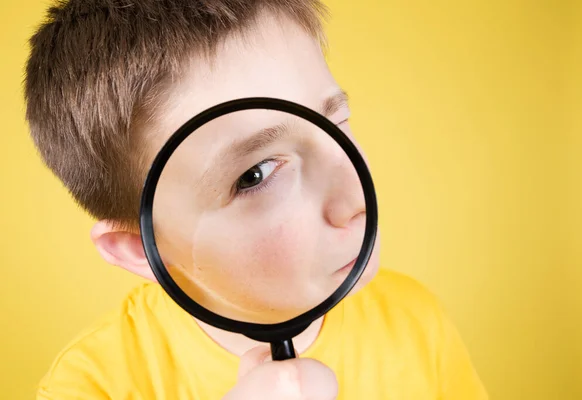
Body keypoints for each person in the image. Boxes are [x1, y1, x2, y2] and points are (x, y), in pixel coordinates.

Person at [25, 1, 488, 399]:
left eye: (336, 123)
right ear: (144, 249)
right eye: (255, 175)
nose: (354, 200)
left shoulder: (416, 319)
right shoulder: (91, 386)